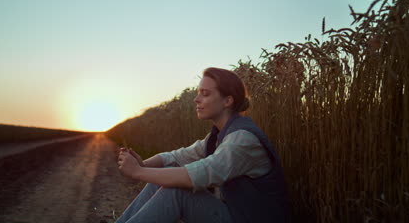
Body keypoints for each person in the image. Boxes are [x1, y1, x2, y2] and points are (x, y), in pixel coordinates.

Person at [116, 67, 289, 223]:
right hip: (236, 214)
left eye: (205, 94)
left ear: (227, 101)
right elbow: (176, 157)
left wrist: (138, 172)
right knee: (159, 180)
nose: (196, 99)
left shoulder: (242, 140)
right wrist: (143, 165)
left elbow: (195, 176)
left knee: (177, 191)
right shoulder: (218, 137)